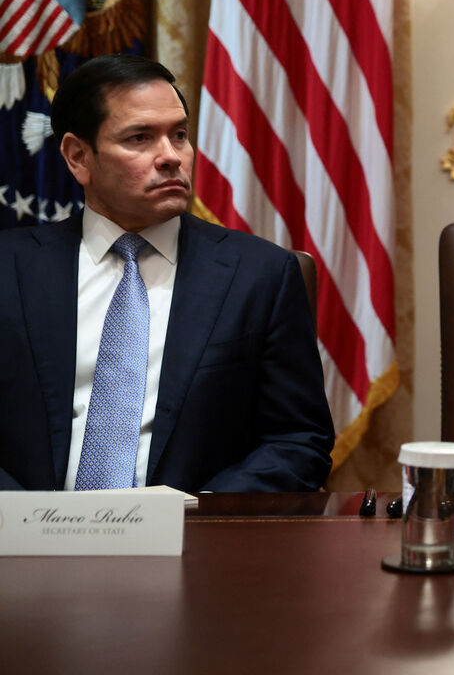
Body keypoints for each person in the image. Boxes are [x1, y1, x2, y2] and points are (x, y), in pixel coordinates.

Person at [0, 54, 334, 492]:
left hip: (196, 543)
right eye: (140, 138)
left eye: (179, 136)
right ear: (78, 157)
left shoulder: (261, 276)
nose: (171, 157)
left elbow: (298, 441)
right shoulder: (9, 270)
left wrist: (197, 514)